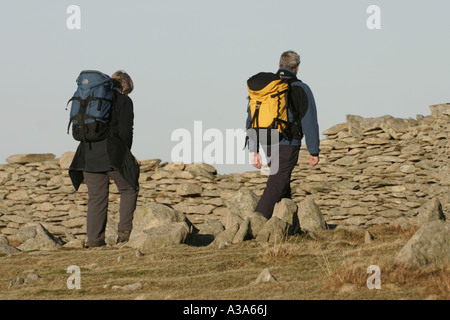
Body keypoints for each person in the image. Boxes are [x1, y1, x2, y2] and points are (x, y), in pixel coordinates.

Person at [69, 70, 140, 248]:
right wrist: (126, 155)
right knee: (129, 188)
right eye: (127, 91)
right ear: (124, 86)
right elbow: (126, 130)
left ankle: (94, 241)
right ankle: (124, 236)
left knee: (96, 197)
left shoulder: (90, 98)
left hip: (87, 154)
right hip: (112, 153)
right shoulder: (124, 100)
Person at [247, 51, 320, 219]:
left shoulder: (265, 88)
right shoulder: (301, 88)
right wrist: (314, 151)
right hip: (288, 142)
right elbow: (309, 121)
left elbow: (251, 118)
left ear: (279, 65)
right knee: (277, 182)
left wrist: (253, 149)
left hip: (266, 140)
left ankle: (287, 227)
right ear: (297, 68)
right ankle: (255, 223)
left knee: (282, 181)